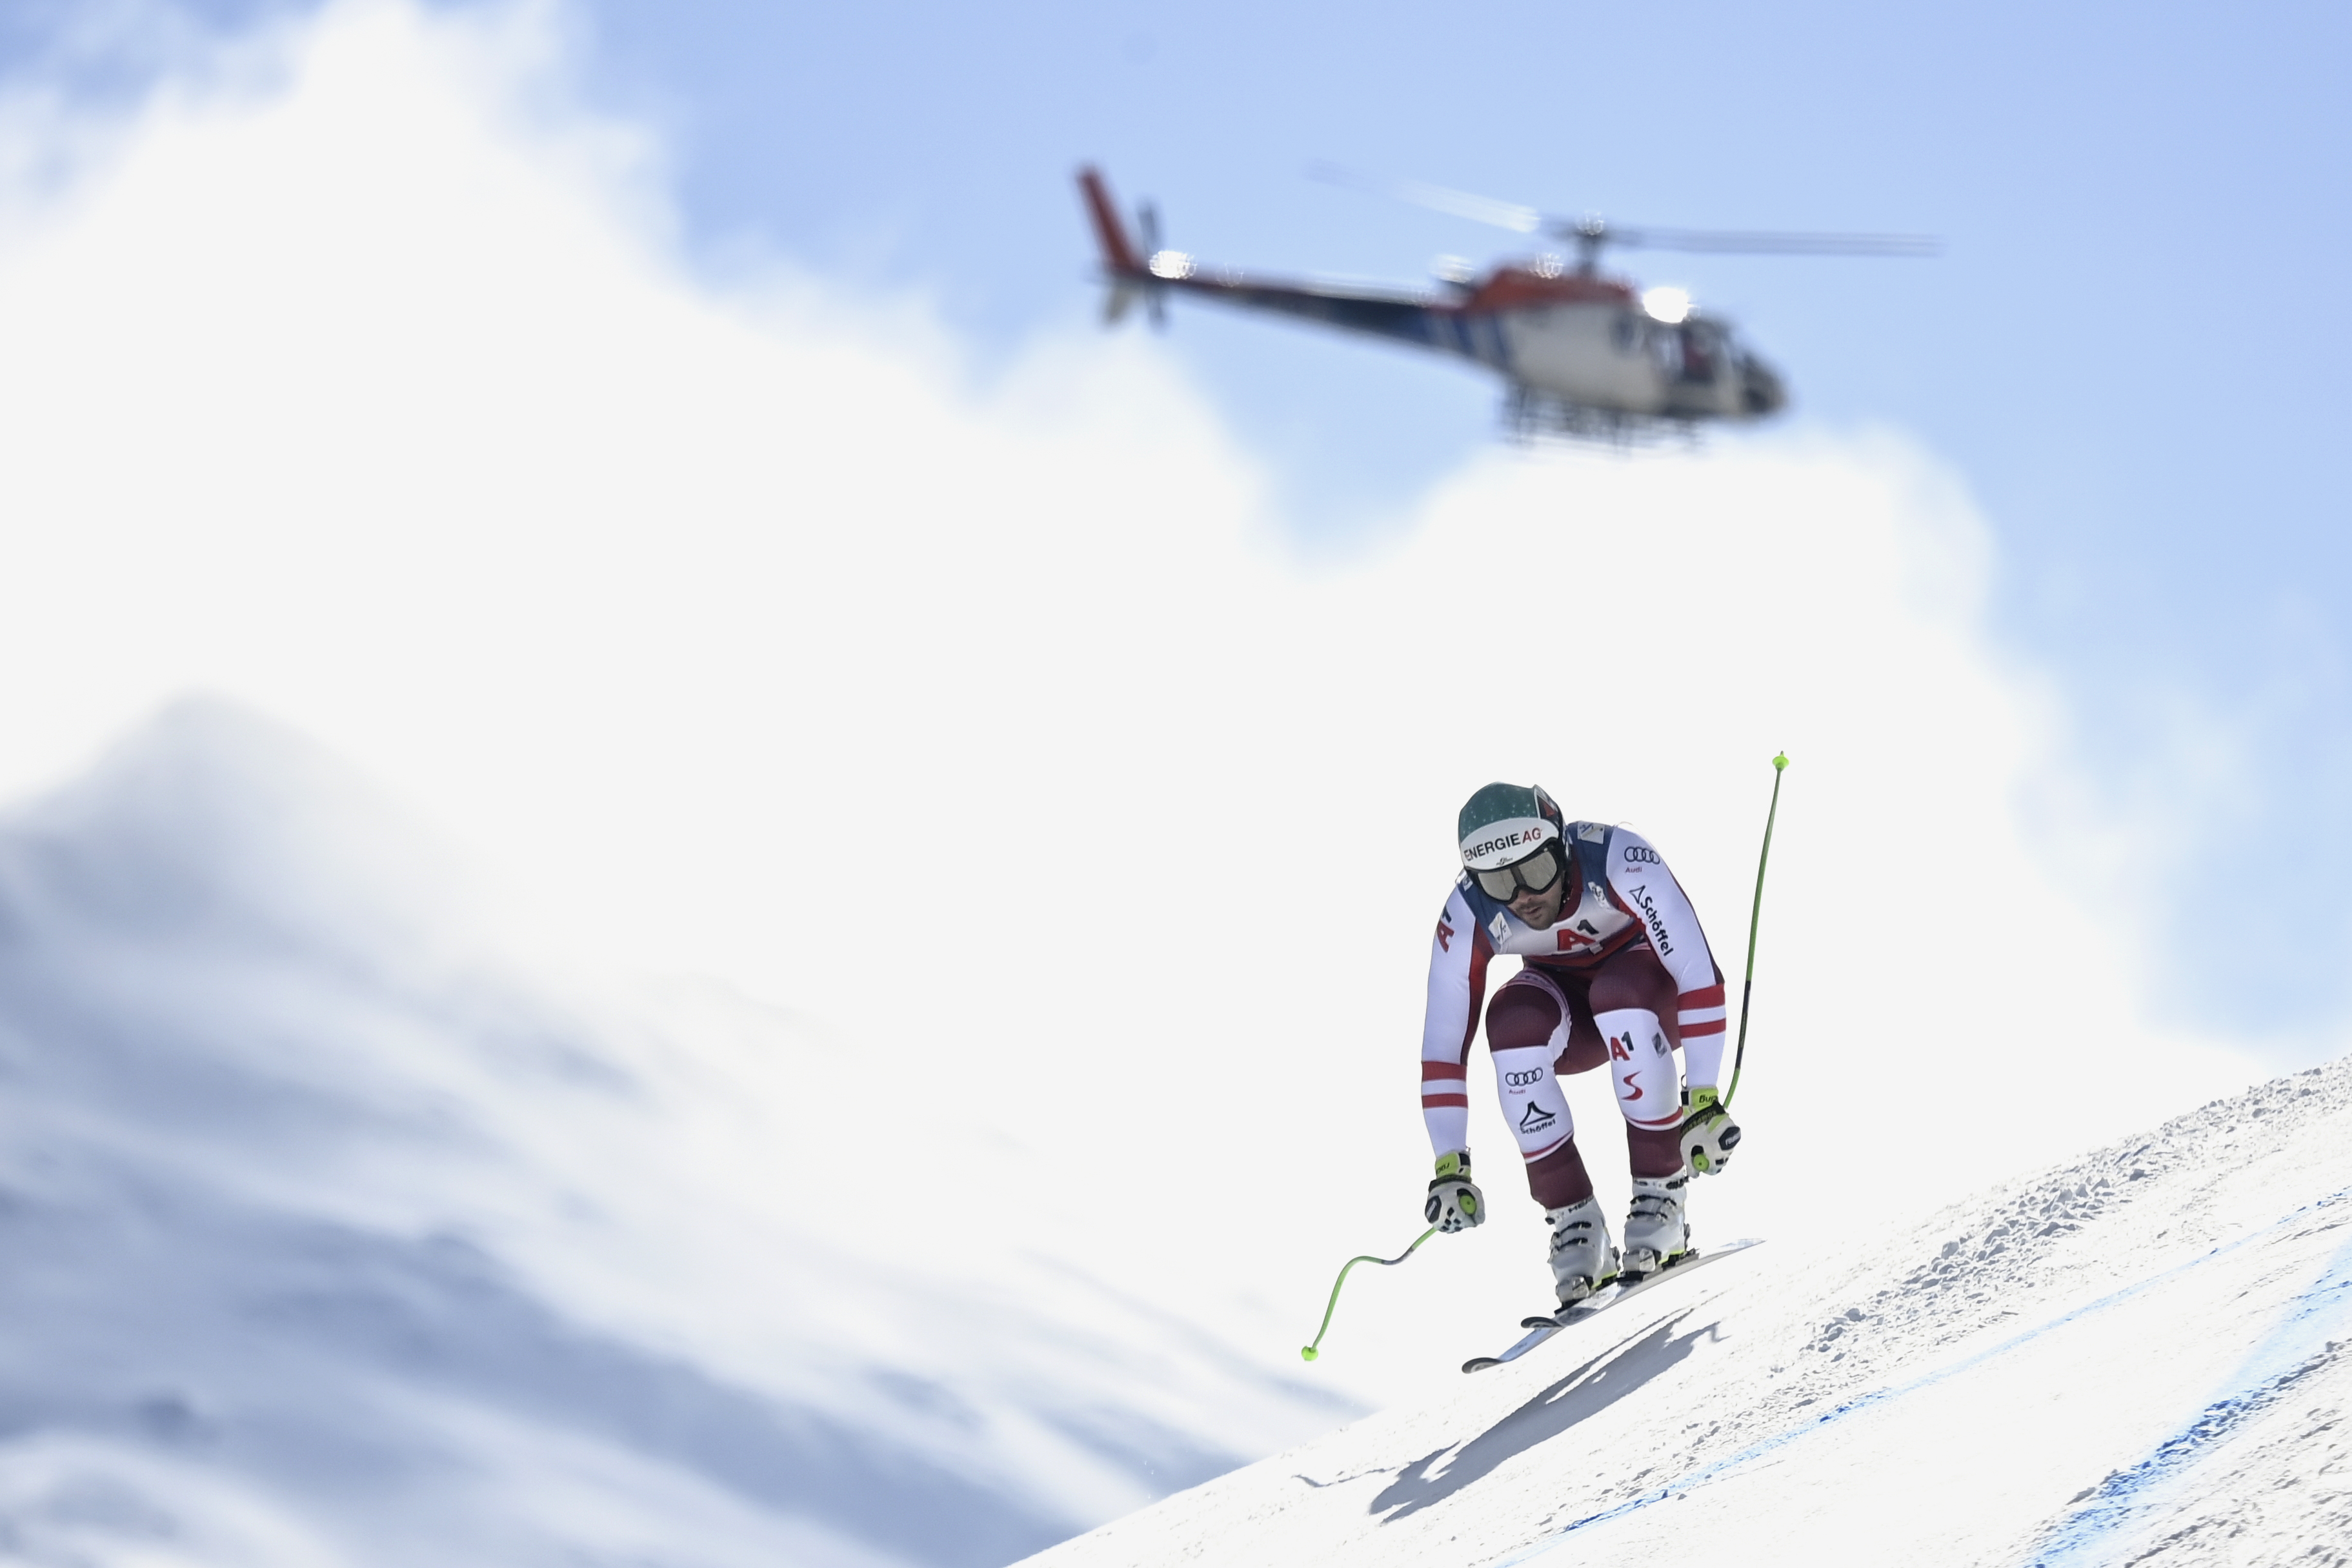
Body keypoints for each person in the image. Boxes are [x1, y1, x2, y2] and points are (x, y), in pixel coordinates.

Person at [1418, 782, 1743, 1308]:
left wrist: (1702, 1096)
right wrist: (1449, 1163)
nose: (1524, 895)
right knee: (1511, 1021)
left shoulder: (1617, 857)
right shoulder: (1468, 910)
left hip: (1648, 998)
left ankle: (1661, 1196)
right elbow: (1442, 1047)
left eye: (1536, 871)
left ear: (1562, 848)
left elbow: (1696, 972)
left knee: (1619, 992)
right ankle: (1575, 1224)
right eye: (1500, 881)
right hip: (1573, 1019)